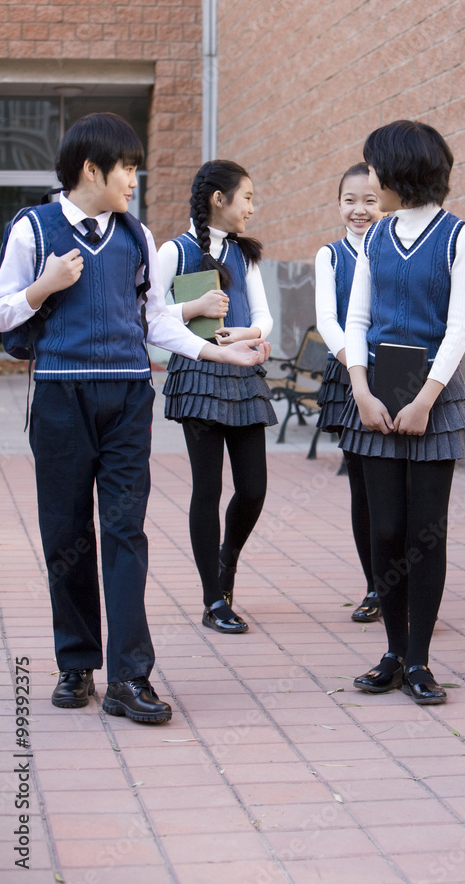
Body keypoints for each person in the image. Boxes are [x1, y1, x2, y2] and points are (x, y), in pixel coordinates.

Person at [0, 114, 270, 723]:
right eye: (126, 167)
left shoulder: (136, 236)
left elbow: (155, 318)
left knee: (126, 533)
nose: (133, 179)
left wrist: (214, 349)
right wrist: (44, 287)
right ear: (91, 169)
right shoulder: (33, 231)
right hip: (62, 400)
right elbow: (4, 312)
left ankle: (129, 676)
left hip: (127, 399)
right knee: (66, 535)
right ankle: (76, 666)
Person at [341, 120, 465, 705]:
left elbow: (459, 328)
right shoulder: (374, 237)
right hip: (375, 392)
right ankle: (393, 653)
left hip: (434, 397)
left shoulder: (459, 237)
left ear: (401, 170)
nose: (370, 179)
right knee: (386, 529)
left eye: (375, 168)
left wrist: (425, 398)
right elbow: (358, 320)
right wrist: (361, 389)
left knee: (424, 534)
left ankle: (420, 660)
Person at [158, 160, 276, 635]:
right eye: (246, 197)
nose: (251, 207)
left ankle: (227, 560)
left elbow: (265, 315)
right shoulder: (174, 250)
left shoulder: (244, 254)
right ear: (218, 199)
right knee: (207, 490)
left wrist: (250, 332)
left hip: (244, 374)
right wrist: (193, 307)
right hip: (199, 377)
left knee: (253, 489)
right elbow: (144, 310)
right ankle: (214, 598)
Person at [315, 163, 383, 622]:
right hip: (349, 378)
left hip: (401, 378)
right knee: (362, 487)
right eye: (350, 200)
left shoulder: (398, 246)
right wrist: (356, 365)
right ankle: (376, 587)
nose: (359, 210)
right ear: (339, 204)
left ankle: (409, 584)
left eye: (370, 200)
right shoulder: (331, 256)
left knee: (397, 488)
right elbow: (328, 321)